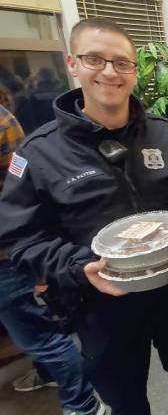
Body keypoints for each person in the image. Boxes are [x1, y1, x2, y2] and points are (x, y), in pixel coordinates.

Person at [0, 18, 168, 415]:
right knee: (126, 401)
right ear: (72, 63)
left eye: (122, 63)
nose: (109, 72)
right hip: (102, 304)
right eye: (95, 60)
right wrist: (80, 268)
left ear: (135, 71)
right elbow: (20, 239)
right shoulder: (38, 153)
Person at [0, 104, 104, 415]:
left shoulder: (3, 121)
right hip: (17, 247)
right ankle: (48, 374)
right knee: (34, 327)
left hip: (4, 252)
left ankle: (82, 405)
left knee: (38, 334)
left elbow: (19, 192)